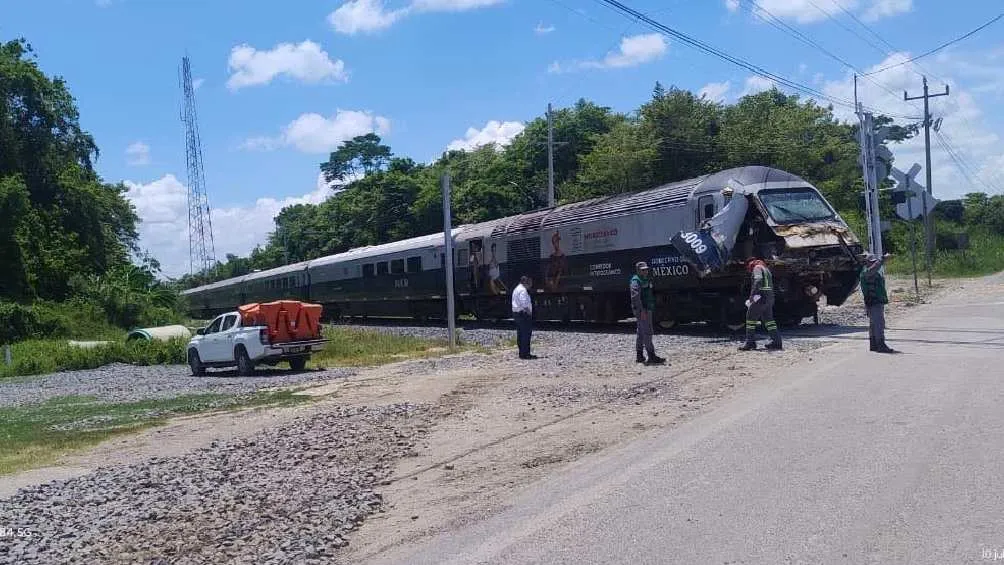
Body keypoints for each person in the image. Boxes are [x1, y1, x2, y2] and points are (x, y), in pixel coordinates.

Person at [739, 257, 782, 351]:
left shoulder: (757, 268)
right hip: (769, 297)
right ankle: (777, 342)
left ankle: (750, 343)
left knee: (750, 318)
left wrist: (752, 295)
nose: (749, 269)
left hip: (761, 297)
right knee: (769, 320)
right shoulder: (765, 269)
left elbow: (758, 281)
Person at [630, 262, 666, 365]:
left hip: (646, 308)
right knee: (647, 332)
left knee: (641, 332)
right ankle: (651, 356)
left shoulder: (645, 279)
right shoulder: (636, 281)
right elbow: (635, 297)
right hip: (643, 310)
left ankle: (639, 356)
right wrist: (641, 311)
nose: (645, 271)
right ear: (638, 270)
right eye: (643, 270)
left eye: (646, 269)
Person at [860, 252, 895, 353]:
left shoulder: (869, 272)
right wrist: (882, 259)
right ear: (867, 263)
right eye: (872, 262)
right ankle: (881, 345)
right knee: (879, 324)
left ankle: (874, 344)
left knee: (873, 324)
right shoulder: (867, 272)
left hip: (874, 302)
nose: (874, 264)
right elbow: (874, 268)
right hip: (874, 302)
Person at [511, 276, 536, 360]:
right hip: (523, 314)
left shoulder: (516, 289)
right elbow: (524, 304)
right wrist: (529, 313)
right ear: (525, 282)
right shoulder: (522, 290)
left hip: (517, 314)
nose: (530, 285)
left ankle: (521, 353)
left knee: (520, 334)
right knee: (526, 334)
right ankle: (526, 354)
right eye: (530, 283)